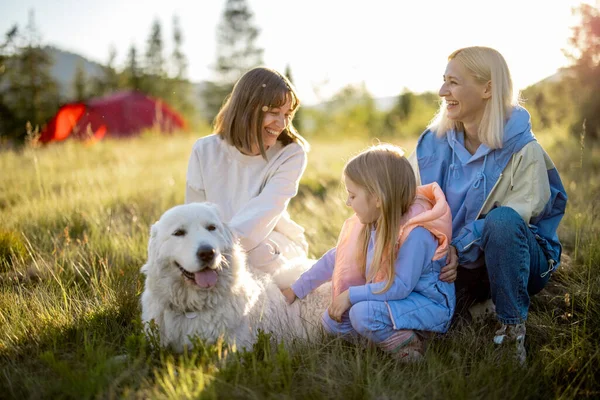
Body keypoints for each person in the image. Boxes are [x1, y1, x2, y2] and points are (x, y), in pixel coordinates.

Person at [409, 46, 567, 364]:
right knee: (437, 328)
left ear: (487, 88)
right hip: (455, 264)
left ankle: (511, 334)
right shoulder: (432, 143)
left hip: (522, 262)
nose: (442, 91)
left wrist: (457, 245)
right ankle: (466, 307)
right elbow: (412, 203)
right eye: (443, 81)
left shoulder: (524, 149)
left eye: (453, 82)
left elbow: (518, 218)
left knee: (503, 221)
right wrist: (439, 249)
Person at [282, 144, 455, 361]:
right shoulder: (371, 225)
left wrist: (351, 295)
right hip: (395, 301)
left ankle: (409, 344)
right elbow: (336, 259)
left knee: (361, 313)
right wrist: (297, 289)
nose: (347, 202)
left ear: (377, 198)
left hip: (427, 307)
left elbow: (400, 287)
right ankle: (381, 335)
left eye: (352, 196)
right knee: (331, 322)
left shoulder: (416, 235)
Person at [185, 67, 309, 274]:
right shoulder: (205, 150)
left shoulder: (290, 154)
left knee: (255, 254)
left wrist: (219, 249)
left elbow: (264, 211)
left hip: (270, 241)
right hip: (215, 246)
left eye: (287, 114)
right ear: (248, 108)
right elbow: (195, 212)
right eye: (274, 112)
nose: (282, 123)